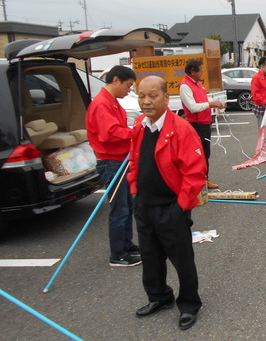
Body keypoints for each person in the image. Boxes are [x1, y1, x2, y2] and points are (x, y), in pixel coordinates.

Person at [128, 76, 206, 331]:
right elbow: (134, 161)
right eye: (141, 96)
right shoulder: (140, 125)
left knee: (182, 260)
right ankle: (159, 297)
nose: (146, 101)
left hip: (171, 207)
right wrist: (134, 188)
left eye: (152, 96)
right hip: (145, 205)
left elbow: (195, 173)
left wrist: (180, 206)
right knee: (150, 258)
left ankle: (189, 304)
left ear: (166, 97)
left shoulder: (181, 129)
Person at [86, 65, 141, 267]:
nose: (129, 91)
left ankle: (126, 244)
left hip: (121, 159)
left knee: (127, 206)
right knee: (119, 209)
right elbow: (109, 133)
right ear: (116, 80)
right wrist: (135, 133)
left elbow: (117, 128)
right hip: (111, 161)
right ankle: (117, 254)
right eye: (127, 86)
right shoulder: (102, 104)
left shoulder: (113, 102)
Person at [179, 58, 225, 189]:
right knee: (198, 154)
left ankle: (204, 179)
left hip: (204, 123)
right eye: (200, 70)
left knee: (205, 153)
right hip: (196, 124)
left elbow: (203, 100)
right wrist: (210, 104)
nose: (202, 73)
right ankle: (199, 181)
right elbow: (192, 107)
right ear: (193, 72)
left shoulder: (198, 84)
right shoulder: (185, 86)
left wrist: (214, 103)